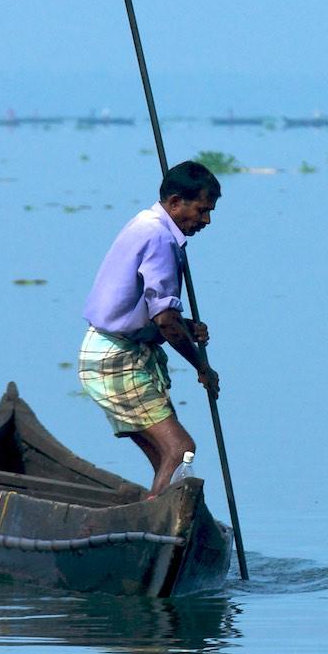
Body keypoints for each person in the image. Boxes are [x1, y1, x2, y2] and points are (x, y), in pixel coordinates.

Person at [78, 160, 221, 497]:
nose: (206, 221)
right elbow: (166, 322)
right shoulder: (159, 237)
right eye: (201, 210)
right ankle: (158, 520)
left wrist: (185, 326)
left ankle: (156, 513)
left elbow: (155, 314)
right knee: (180, 449)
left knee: (164, 457)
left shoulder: (147, 223)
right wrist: (202, 366)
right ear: (175, 202)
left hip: (113, 349)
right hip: (115, 359)